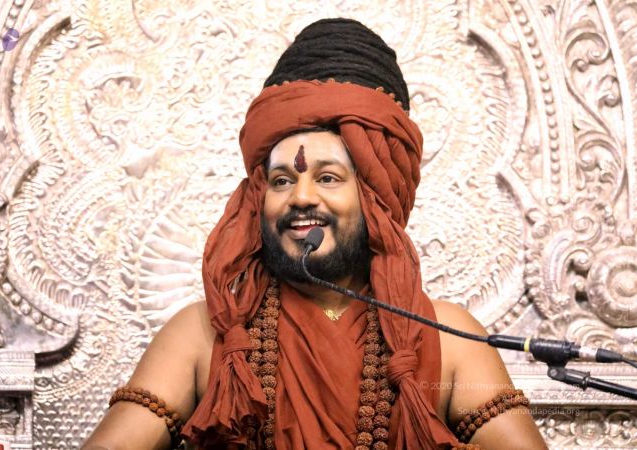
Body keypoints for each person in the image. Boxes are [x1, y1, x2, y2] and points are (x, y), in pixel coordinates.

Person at [83, 18, 548, 450]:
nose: (301, 197)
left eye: (327, 178)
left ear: (376, 198)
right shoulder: (205, 332)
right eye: (282, 180)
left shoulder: (446, 337)